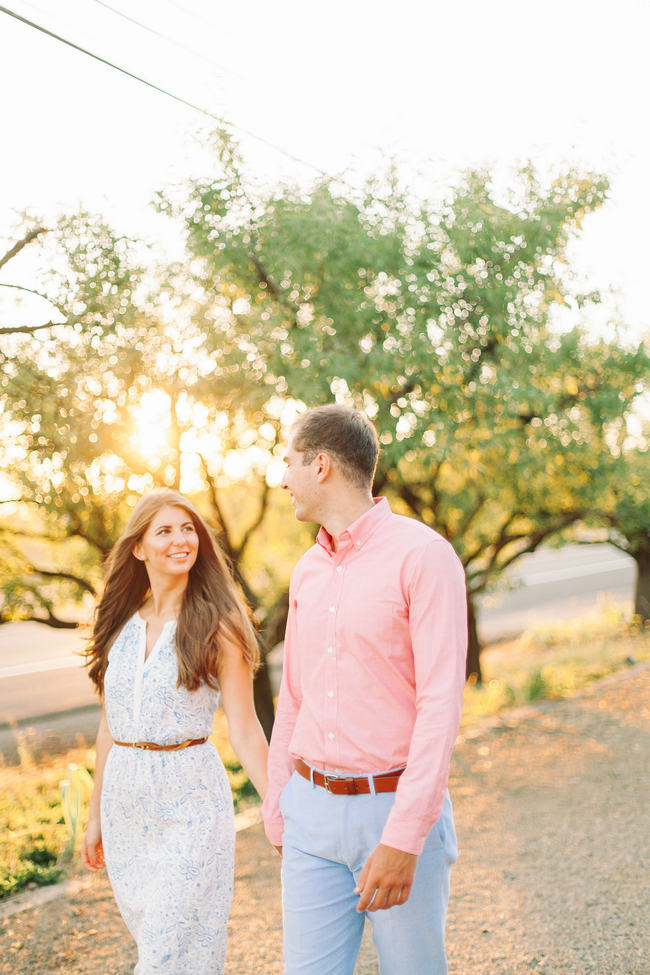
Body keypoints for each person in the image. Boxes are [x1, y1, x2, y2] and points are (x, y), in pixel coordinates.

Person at [262, 404, 468, 975]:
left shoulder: (424, 556)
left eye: (289, 463)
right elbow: (294, 697)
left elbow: (440, 704)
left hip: (394, 810)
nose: (283, 480)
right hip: (308, 814)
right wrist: (279, 801)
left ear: (321, 465)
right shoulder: (307, 570)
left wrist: (404, 837)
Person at [81, 489, 268, 974]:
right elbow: (109, 726)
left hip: (191, 803)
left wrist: (277, 804)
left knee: (165, 952)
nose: (180, 540)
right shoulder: (119, 623)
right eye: (164, 531)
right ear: (139, 547)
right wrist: (95, 815)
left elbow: (246, 728)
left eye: (188, 530)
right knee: (166, 948)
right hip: (127, 808)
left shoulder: (219, 624)